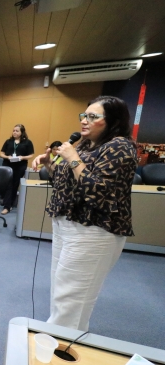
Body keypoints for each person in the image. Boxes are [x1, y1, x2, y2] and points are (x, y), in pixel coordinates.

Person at [32, 96, 137, 331]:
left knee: (72, 300)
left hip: (94, 231)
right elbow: (67, 180)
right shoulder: (87, 145)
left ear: (113, 121)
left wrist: (72, 158)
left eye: (93, 117)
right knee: (63, 293)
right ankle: (67, 341)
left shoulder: (119, 147)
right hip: (67, 225)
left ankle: (58, 349)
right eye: (84, 115)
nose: (84, 121)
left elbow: (99, 190)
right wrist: (50, 164)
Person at [0, 124, 35, 215]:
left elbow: (31, 155)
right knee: (8, 185)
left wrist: (22, 157)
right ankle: (7, 205)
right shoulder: (8, 141)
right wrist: (7, 157)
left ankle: (9, 205)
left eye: (17, 131)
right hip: (8, 165)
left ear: (22, 132)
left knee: (15, 185)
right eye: (13, 130)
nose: (14, 132)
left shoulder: (27, 142)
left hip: (20, 166)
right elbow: (1, 153)